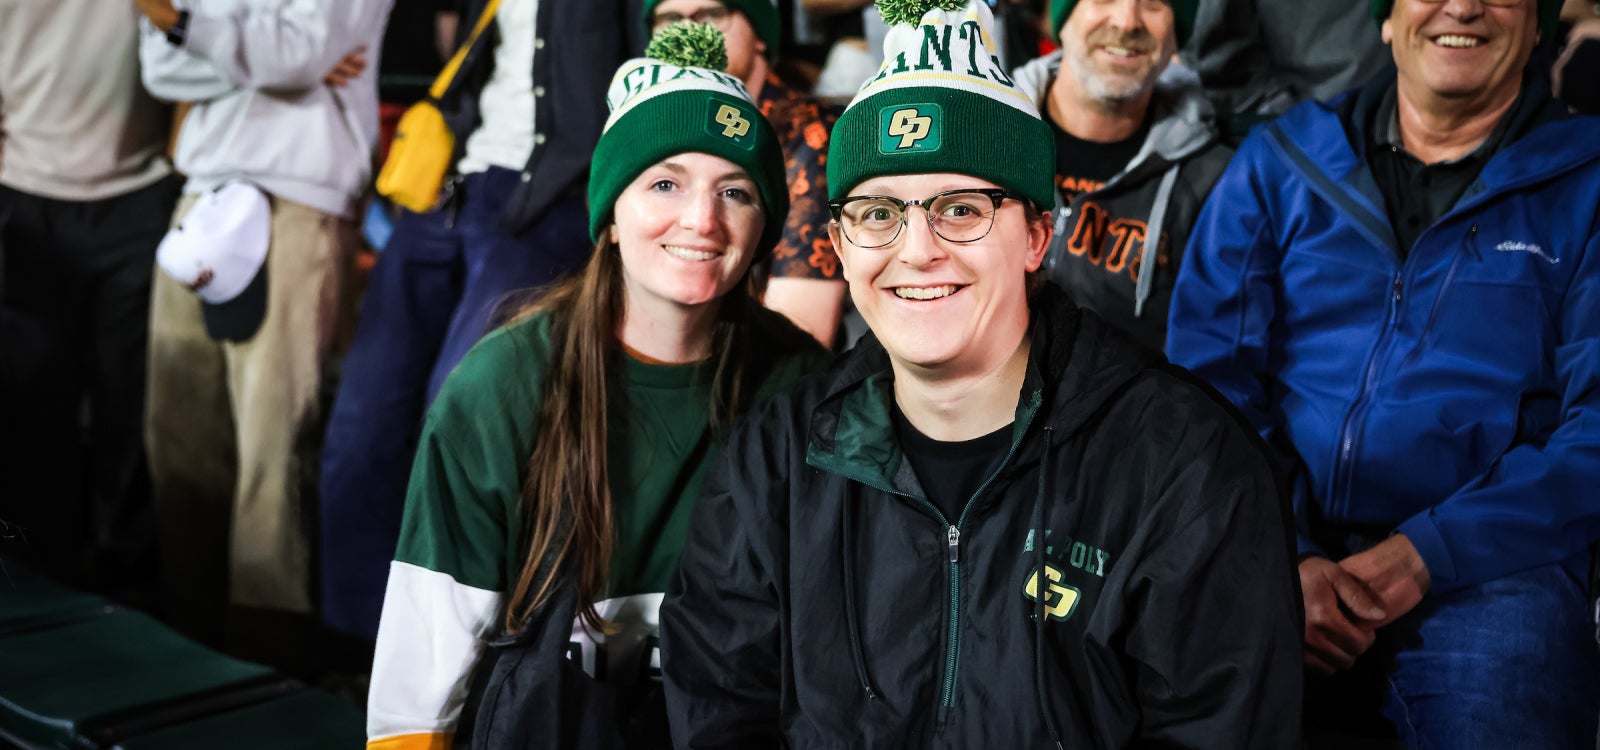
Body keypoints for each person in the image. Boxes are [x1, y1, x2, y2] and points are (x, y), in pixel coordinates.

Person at [659, 1, 1302, 747]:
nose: (917, 250)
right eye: (878, 213)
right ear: (838, 243)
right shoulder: (774, 462)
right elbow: (719, 714)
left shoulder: (1185, 467)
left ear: (1036, 237)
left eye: (962, 209)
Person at [365, 24, 829, 748]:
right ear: (611, 215)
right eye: (665, 183)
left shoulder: (798, 385)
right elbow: (418, 688)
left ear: (764, 224)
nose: (702, 221)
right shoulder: (500, 386)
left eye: (735, 191)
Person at [1167, 0, 1600, 745]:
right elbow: (1205, 383)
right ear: (1388, 18)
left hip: (1496, 567)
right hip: (1270, 536)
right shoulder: (1282, 161)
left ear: (1539, 26)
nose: (1461, 5)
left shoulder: (1588, 183)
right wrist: (1283, 551)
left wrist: (1427, 554)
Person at [318, 0, 643, 645]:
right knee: (362, 419)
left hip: (550, 197)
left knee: (455, 417)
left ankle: (448, 652)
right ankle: (354, 645)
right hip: (452, 187)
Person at [137, 0, 392, 676]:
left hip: (299, 200)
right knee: (180, 436)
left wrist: (191, 30)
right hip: (202, 193)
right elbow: (159, 68)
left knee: (272, 451)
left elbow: (301, 52)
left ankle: (266, 672)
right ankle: (181, 658)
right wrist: (265, 59)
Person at [0, 0, 178, 599]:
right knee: (33, 409)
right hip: (23, 192)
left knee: (130, 409)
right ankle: (41, 587)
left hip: (141, 193)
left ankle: (126, 594)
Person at [1012, 0, 1231, 351]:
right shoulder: (981, 134)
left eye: (1155, 3)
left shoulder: (1215, 182)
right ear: (1060, 16)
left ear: (1177, 33)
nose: (1128, 21)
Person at [644, 0, 848, 348]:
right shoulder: (647, 128)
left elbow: (801, 337)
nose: (690, 31)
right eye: (670, 18)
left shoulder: (812, 136)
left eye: (712, 15)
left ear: (760, 34)